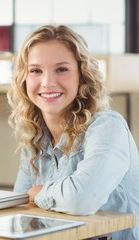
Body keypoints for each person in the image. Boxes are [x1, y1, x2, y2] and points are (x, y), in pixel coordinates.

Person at [7, 25, 139, 239]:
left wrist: (41, 193)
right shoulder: (36, 138)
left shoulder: (108, 127)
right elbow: (20, 207)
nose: (48, 82)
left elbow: (82, 199)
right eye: (36, 71)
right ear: (24, 78)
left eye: (61, 69)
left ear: (82, 75)